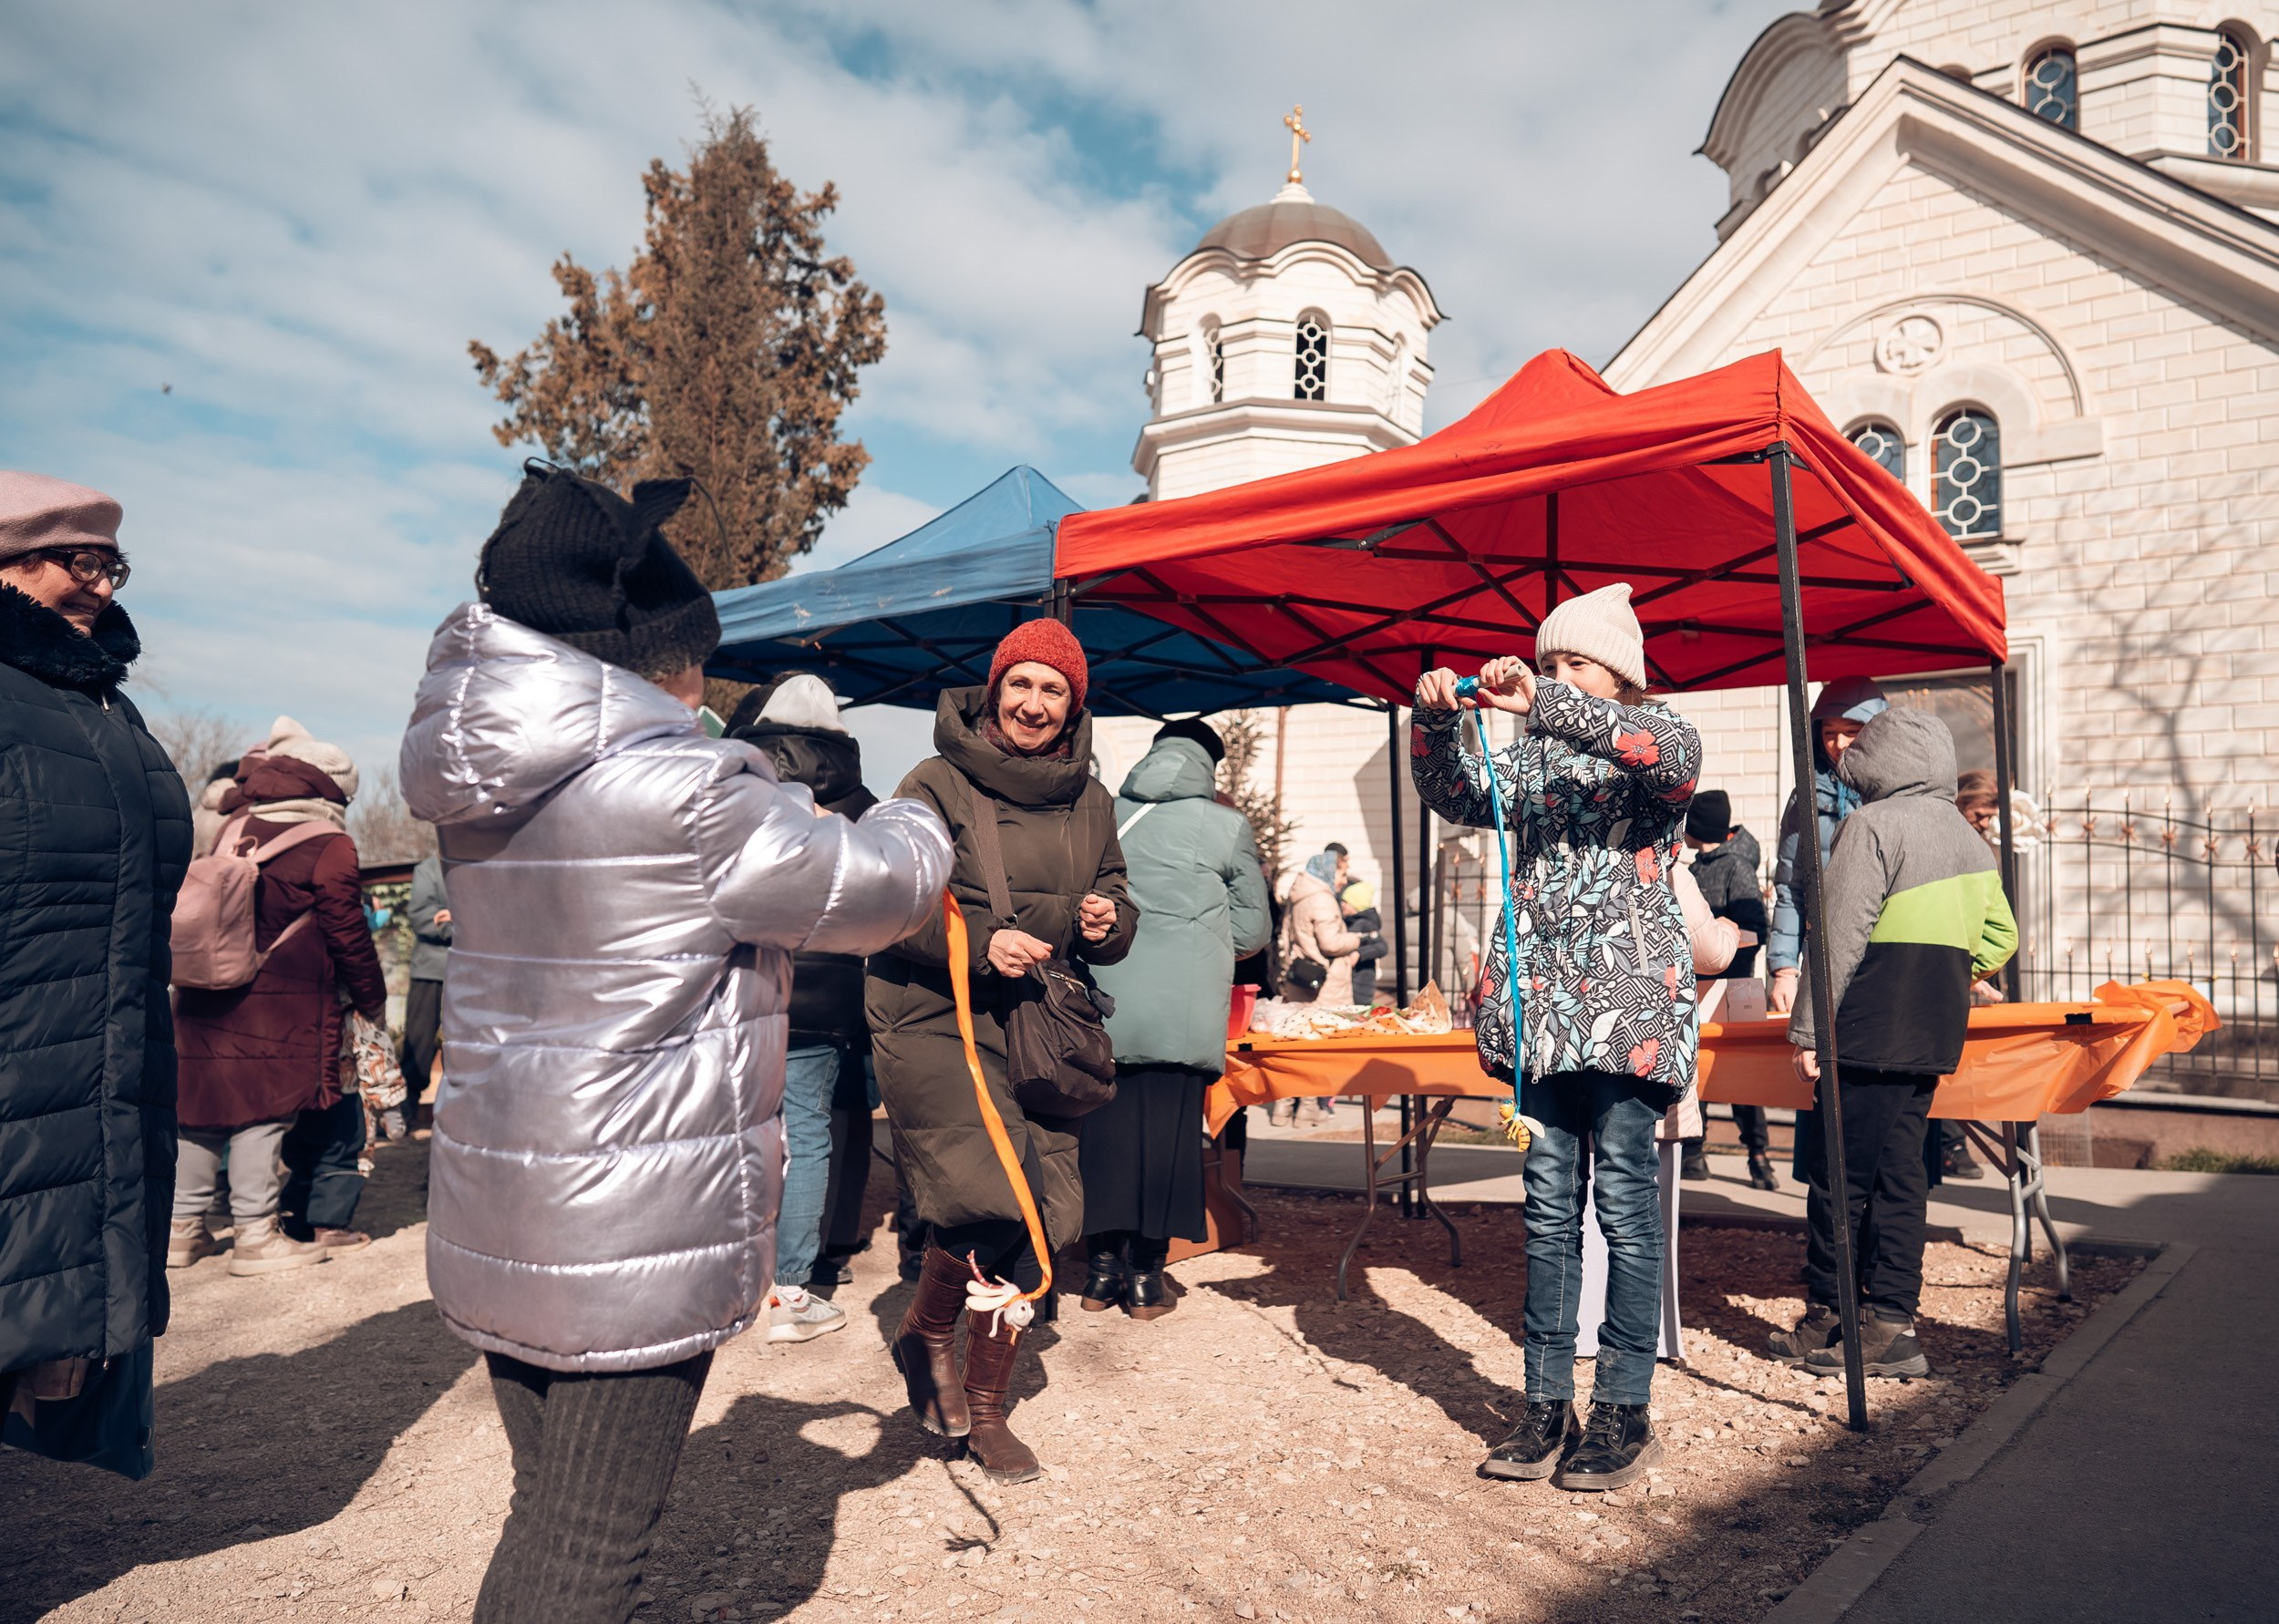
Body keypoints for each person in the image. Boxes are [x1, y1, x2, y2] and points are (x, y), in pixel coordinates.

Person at [402, 464, 949, 1623]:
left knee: (547, 1506)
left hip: (509, 1188)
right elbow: (874, 892)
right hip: (629, 1208)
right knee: (597, 1543)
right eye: (695, 650)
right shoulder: (683, 789)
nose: (705, 677)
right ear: (654, 657)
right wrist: (915, 811)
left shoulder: (479, 780)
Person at [1413, 583, 1702, 1494]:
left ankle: (1623, 1408)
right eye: (1545, 664)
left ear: (1618, 673)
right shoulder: (1526, 762)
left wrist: (1546, 700)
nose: (1549, 678)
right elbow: (1452, 795)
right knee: (1545, 1213)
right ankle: (1545, 1405)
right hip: (1538, 1017)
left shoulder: (1655, 735)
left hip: (1629, 1016)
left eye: (1572, 662)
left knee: (1622, 1207)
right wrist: (1434, 725)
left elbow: (1669, 760)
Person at [866, 618, 1137, 1485]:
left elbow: (1118, 896)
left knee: (1044, 1210)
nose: (1033, 703)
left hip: (1037, 1023)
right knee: (991, 1194)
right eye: (1020, 684)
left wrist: (1108, 920)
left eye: (1053, 689)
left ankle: (958, 1374)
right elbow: (890, 897)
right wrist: (982, 940)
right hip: (933, 1011)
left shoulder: (1090, 797)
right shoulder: (934, 782)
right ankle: (960, 1379)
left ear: (1074, 706)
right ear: (993, 690)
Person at [0, 471, 191, 1464]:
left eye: (110, 565)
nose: (101, 587)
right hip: (25, 1073)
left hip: (91, 1077)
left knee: (48, 1333)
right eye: (78, 563)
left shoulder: (105, 708)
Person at [1773, 708, 2016, 1378]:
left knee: (1838, 1180)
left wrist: (1808, 1030)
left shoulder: (1870, 826)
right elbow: (2002, 939)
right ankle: (1892, 1324)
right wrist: (1943, 971)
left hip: (1867, 1026)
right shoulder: (1972, 842)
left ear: (1877, 765)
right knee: (1903, 1175)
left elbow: (1839, 935)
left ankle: (1831, 1316)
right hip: (1934, 1029)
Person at [173, 723, 387, 1268]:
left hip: (204, 990)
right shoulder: (329, 843)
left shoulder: (233, 826)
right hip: (279, 1002)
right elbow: (348, 932)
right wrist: (371, 999)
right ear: (332, 789)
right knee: (260, 1117)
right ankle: (256, 1236)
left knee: (198, 1114)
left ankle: (181, 1231)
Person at [1081, 717, 1270, 1319]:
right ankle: (1144, 1281)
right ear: (1210, 765)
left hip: (1101, 1008)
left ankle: (1099, 1274)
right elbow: (1252, 930)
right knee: (1166, 1146)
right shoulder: (1225, 825)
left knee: (1102, 1141)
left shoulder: (1102, 814)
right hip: (1181, 1015)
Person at [727, 673, 880, 1343]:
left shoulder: (739, 782)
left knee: (741, 1131)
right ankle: (792, 1291)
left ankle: (733, 1276)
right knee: (810, 1137)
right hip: (827, 991)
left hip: (745, 978)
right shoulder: (862, 799)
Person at [1769, 677, 1887, 1183]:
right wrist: (1782, 967)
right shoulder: (1805, 795)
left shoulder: (1895, 793)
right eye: (1829, 732)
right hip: (1825, 961)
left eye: (1852, 731)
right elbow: (1792, 887)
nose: (1839, 743)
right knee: (1826, 1088)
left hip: (1885, 959)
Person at [1680, 790, 1775, 1188]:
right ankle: (1692, 1153)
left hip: (1735, 991)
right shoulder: (1697, 867)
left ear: (1697, 828)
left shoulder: (1735, 868)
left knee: (1741, 1080)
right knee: (1695, 1071)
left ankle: (1759, 1158)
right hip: (1700, 991)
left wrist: (1720, 938)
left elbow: (1758, 929)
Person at [400, 854, 449, 1136]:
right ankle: (407, 1113)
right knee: (418, 1044)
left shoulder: (482, 862)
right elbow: (422, 918)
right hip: (430, 972)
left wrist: (457, 916)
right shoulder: (429, 869)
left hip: (473, 971)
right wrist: (466, 922)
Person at [1341, 880, 1390, 1007]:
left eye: (1346, 902)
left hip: (1361, 985)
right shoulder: (1349, 922)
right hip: (1351, 982)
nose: (1342, 904)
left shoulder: (1366, 924)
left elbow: (1382, 947)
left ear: (1357, 904)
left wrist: (1359, 953)